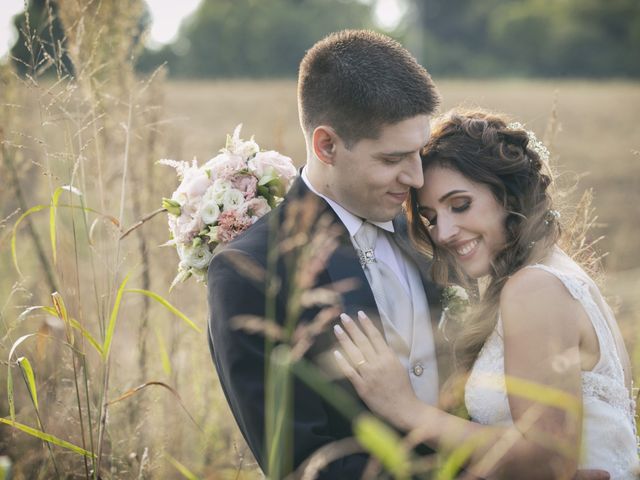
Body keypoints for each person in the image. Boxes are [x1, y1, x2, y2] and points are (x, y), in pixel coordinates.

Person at [333, 109, 640, 479]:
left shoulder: (534, 289)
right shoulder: (561, 275)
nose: (444, 232)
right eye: (431, 218)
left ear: (508, 195)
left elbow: (548, 462)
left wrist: (406, 409)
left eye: (460, 205)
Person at [207, 30, 444, 479]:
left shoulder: (439, 226)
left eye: (421, 153)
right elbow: (302, 464)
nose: (416, 178)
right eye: (393, 159)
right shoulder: (252, 271)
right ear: (327, 146)